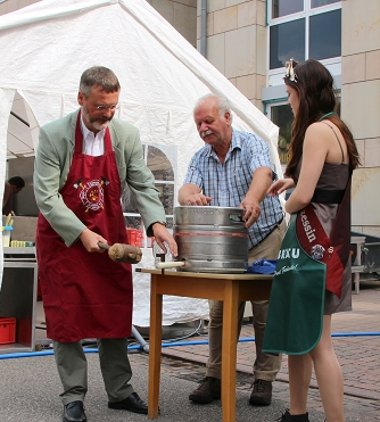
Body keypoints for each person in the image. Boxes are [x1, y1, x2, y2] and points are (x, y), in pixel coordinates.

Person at [33, 66, 177, 422]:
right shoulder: (54, 136)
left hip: (108, 239)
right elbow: (47, 196)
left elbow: (142, 184)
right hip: (64, 241)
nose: (108, 114)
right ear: (82, 99)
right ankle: (73, 397)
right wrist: (81, 233)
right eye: (100, 106)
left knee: (114, 313)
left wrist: (156, 222)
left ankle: (120, 391)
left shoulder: (125, 135)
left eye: (113, 106)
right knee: (68, 319)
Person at [264, 59, 360, 422]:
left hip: (312, 244)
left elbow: (305, 197)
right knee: (303, 337)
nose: (288, 102)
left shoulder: (317, 132)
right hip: (332, 242)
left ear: (304, 92)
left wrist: (286, 203)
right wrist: (293, 181)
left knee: (317, 342)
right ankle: (296, 412)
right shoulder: (338, 128)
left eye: (290, 95)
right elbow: (327, 182)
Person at [178, 94, 286, 407]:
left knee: (265, 311)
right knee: (220, 312)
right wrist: (190, 197)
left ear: (227, 118)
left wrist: (253, 198)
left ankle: (264, 379)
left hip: (264, 236)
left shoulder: (252, 143)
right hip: (226, 246)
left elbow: (263, 174)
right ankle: (215, 376)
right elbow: (187, 187)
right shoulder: (200, 158)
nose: (203, 128)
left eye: (208, 121)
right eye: (198, 123)